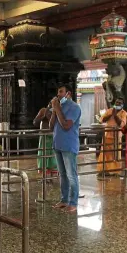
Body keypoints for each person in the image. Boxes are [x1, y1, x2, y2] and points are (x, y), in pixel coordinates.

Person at [49, 85, 81, 213]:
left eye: (61, 92)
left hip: (69, 145)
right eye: (57, 92)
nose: (59, 95)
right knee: (62, 175)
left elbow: (66, 125)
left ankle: (73, 202)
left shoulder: (74, 107)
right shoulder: (58, 107)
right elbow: (51, 126)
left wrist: (57, 108)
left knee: (71, 175)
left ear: (68, 93)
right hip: (57, 145)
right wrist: (54, 110)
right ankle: (64, 200)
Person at [97, 98, 127, 176]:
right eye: (116, 102)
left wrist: (115, 116)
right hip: (107, 135)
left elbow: (122, 124)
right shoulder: (109, 110)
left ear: (122, 105)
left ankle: (115, 172)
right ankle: (104, 171)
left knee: (115, 154)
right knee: (105, 154)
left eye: (119, 103)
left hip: (117, 137)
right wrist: (111, 114)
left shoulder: (124, 113)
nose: (117, 104)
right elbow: (101, 120)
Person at [33, 103, 57, 175]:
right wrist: (42, 117)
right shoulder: (43, 110)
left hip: (54, 136)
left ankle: (53, 175)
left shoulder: (58, 111)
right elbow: (35, 122)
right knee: (43, 155)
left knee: (54, 157)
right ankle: (44, 176)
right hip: (44, 137)